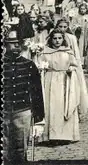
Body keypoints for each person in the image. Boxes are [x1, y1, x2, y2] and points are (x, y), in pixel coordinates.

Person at [3, 29, 45, 164]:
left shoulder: (29, 65)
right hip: (3, 113)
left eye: (19, 43)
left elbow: (37, 92)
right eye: (13, 43)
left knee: (21, 149)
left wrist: (39, 119)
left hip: (23, 112)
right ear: (5, 45)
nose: (16, 46)